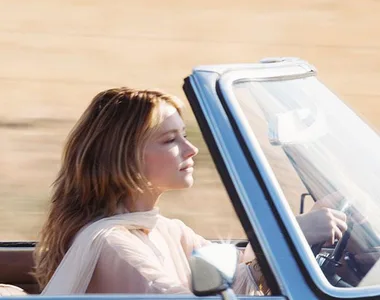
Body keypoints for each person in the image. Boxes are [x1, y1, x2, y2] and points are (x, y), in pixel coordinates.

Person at [33, 87, 348, 296]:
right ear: (123, 157)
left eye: (184, 136)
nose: (192, 149)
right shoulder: (112, 244)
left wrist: (294, 230)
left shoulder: (166, 230)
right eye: (170, 140)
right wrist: (285, 240)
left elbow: (233, 265)